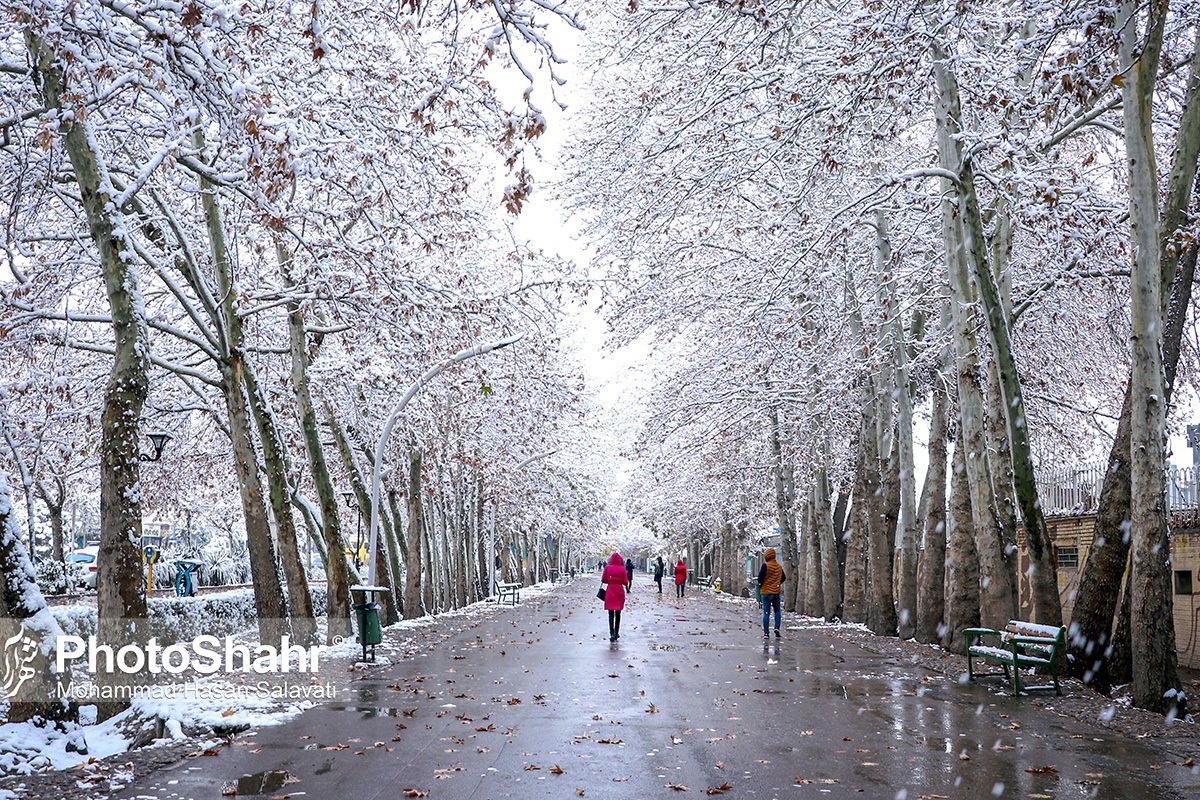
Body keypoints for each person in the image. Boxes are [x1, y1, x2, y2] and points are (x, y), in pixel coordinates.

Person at [757, 548, 787, 638]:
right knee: (777, 610)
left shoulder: (765, 565)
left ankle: (766, 633)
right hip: (776, 592)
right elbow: (783, 578)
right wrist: (776, 584)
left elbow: (760, 579)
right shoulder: (779, 567)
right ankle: (777, 627)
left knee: (766, 612)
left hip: (766, 592)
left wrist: (763, 584)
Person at [601, 553, 628, 641]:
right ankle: (616, 632)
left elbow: (604, 580)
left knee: (611, 613)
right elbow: (625, 582)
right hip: (619, 591)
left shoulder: (607, 568)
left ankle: (611, 633)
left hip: (610, 591)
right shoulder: (622, 569)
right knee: (618, 613)